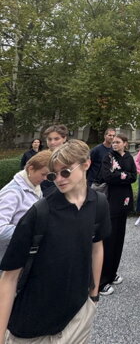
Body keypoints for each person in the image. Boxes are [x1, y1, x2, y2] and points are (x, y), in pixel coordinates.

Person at [0, 140, 111, 344]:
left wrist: (93, 297)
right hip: (31, 324)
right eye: (53, 175)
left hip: (77, 316)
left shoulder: (99, 203)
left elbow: (97, 247)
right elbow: (9, 278)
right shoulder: (39, 213)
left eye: (65, 172)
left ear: (86, 164)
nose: (58, 179)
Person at [99, 133, 137, 296]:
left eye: (117, 142)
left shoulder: (129, 157)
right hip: (112, 199)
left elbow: (133, 177)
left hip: (125, 199)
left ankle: (112, 272)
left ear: (125, 144)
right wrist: (123, 175)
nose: (114, 144)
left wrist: (120, 174)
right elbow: (107, 176)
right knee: (109, 239)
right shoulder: (108, 157)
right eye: (113, 142)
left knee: (119, 238)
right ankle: (102, 279)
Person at [0, 150, 51, 263]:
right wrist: (32, 231)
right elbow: (1, 229)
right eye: (43, 174)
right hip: (6, 259)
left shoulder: (35, 188)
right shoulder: (13, 193)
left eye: (49, 175)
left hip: (20, 255)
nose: (46, 178)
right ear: (31, 168)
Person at [41, 124, 69, 195]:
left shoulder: (71, 158)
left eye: (56, 139)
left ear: (64, 138)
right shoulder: (41, 158)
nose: (52, 142)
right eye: (49, 139)